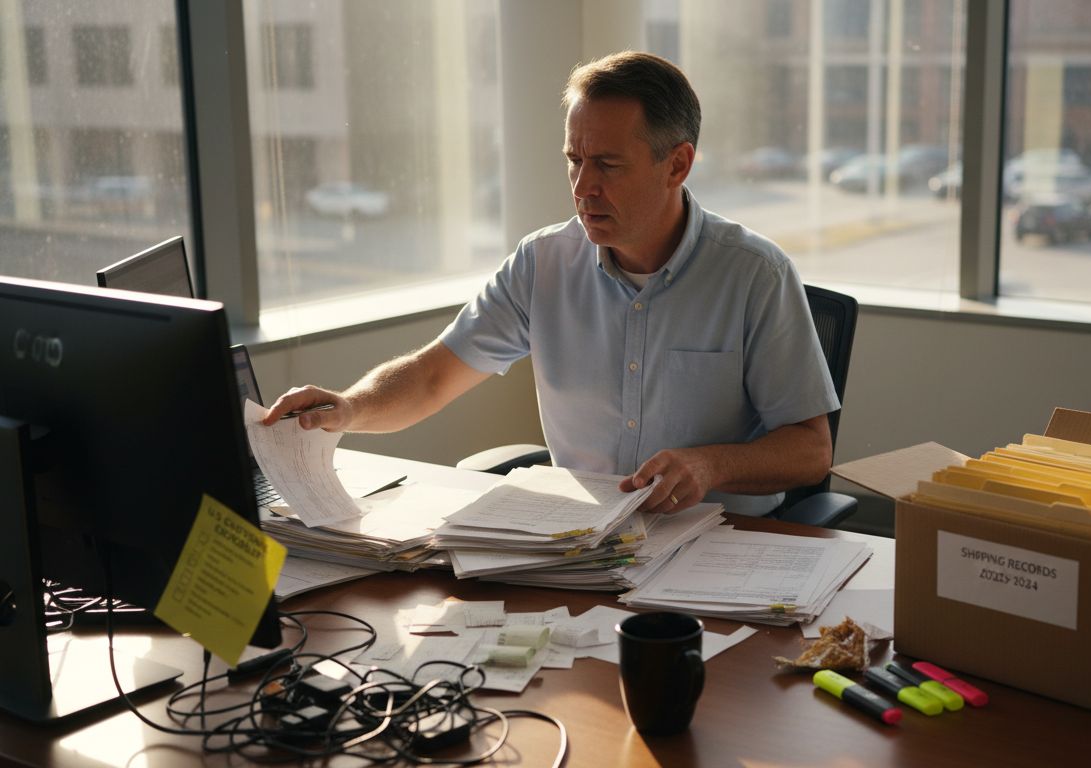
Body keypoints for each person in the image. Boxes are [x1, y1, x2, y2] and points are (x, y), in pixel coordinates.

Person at [263, 51, 838, 517]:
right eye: (573, 160)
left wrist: (712, 465)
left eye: (608, 165)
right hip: (579, 543)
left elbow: (811, 450)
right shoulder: (543, 263)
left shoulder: (754, 274)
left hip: (720, 545)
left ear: (677, 165)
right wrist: (348, 407)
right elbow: (434, 376)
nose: (583, 187)